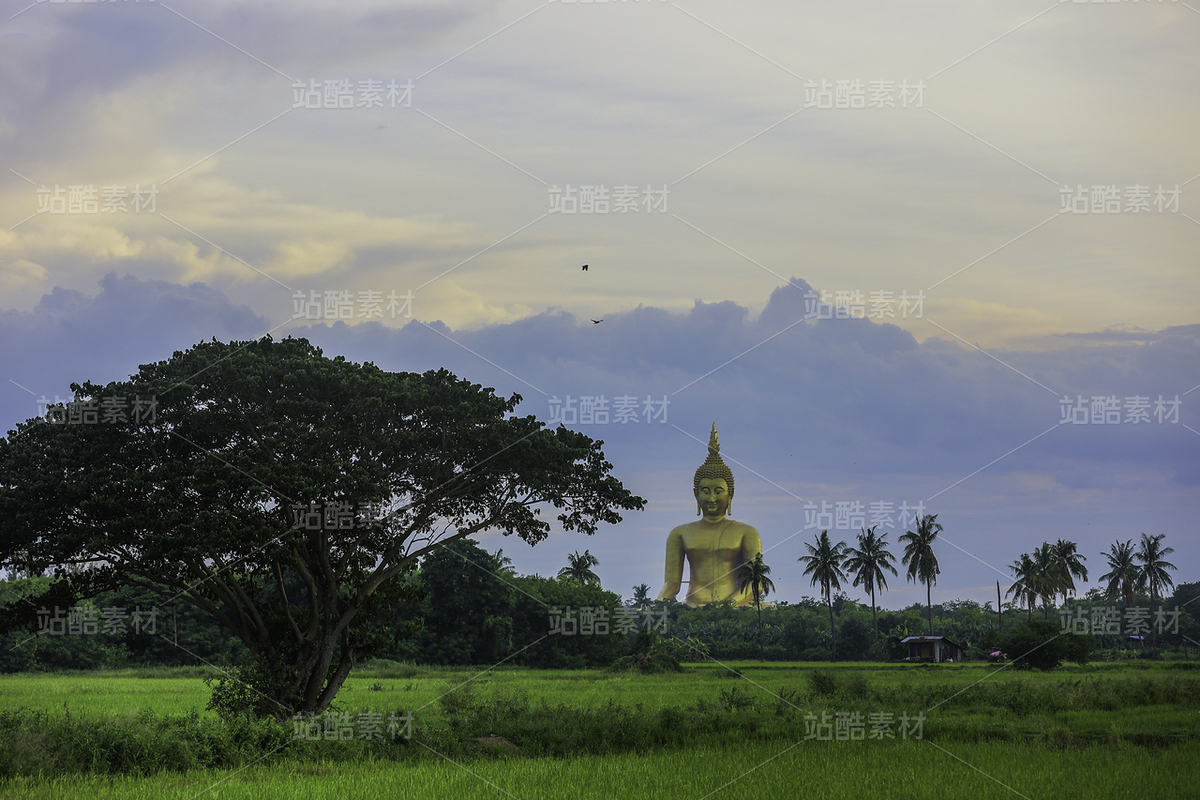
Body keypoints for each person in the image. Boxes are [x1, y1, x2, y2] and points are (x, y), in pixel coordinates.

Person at [656, 424, 763, 606]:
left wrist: (726, 606)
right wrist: (657, 605)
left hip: (736, 607)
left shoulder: (747, 532)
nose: (712, 498)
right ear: (696, 494)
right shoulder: (680, 533)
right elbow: (672, 584)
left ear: (731, 494)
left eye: (718, 491)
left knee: (769, 610)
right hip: (693, 606)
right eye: (705, 491)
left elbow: (756, 584)